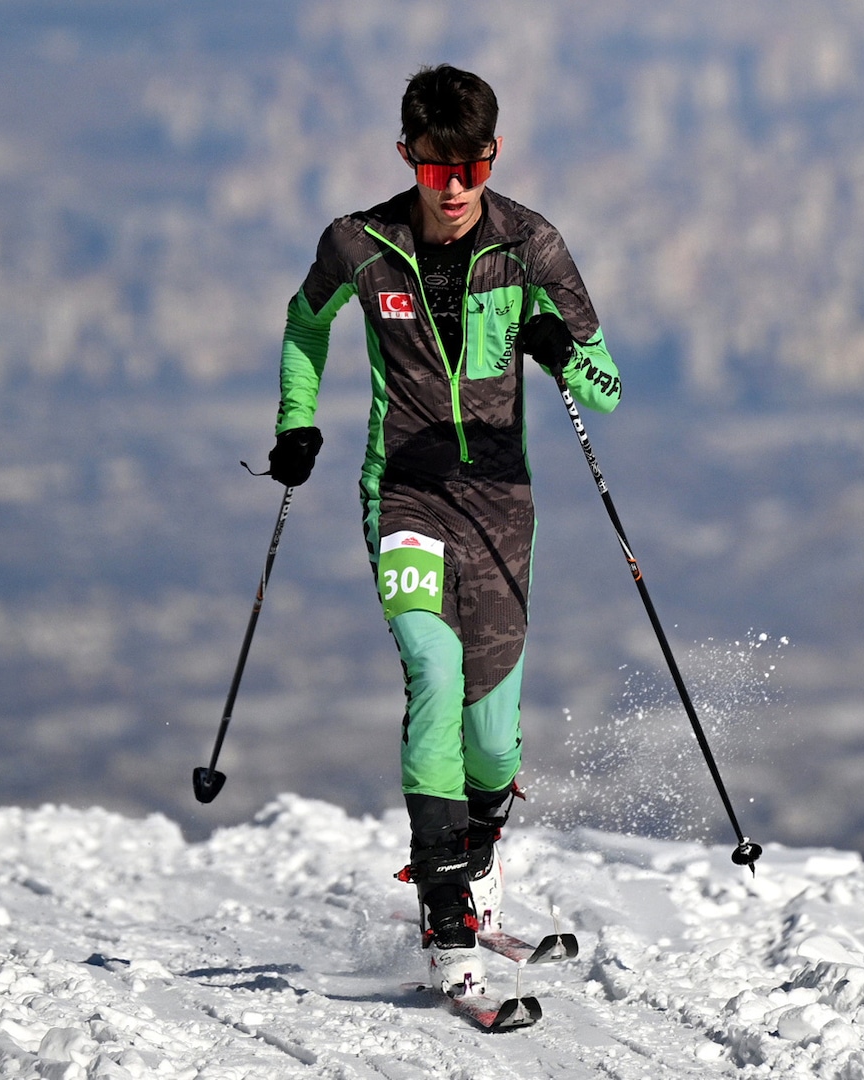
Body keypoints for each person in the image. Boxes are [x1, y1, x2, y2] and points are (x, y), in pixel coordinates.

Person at [268, 63, 621, 996]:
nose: (455, 187)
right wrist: (296, 422)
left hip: (502, 509)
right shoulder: (361, 244)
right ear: (407, 157)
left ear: (492, 156)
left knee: (493, 744)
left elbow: (609, 388)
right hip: (406, 494)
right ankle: (444, 902)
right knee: (433, 667)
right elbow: (305, 324)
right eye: (435, 169)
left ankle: (481, 853)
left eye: (473, 167)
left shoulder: (532, 244)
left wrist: (564, 354)